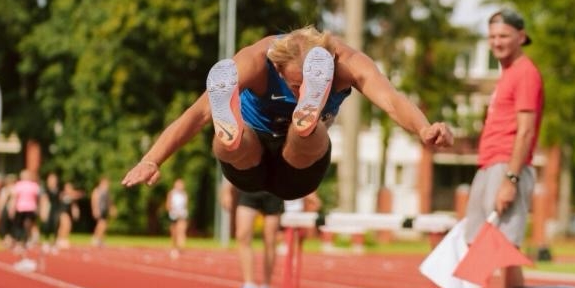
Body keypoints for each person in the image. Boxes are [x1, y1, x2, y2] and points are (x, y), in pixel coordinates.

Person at [121, 26, 454, 201]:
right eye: (296, 86)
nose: (297, 94)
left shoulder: (346, 62)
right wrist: (152, 159)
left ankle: (306, 121)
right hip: (251, 155)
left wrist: (423, 129)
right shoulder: (255, 61)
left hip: (299, 167)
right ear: (278, 67)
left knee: (307, 131)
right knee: (234, 142)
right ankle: (232, 128)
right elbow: (198, 114)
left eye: (306, 87)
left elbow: (392, 100)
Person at [428, 8, 543, 288]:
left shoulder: (525, 73)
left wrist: (510, 177)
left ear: (521, 36)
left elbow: (524, 131)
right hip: (488, 166)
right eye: (492, 36)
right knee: (475, 248)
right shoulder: (506, 75)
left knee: (505, 252)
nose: (497, 42)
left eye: (504, 35)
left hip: (506, 168)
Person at [221, 181, 283, 288]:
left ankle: (266, 286)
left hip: (274, 189)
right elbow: (234, 161)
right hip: (249, 185)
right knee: (242, 235)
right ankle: (249, 285)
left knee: (270, 239)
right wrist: (226, 190)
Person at [10, 169, 42, 250]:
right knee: (26, 225)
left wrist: (12, 209)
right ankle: (23, 241)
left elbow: (14, 198)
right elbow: (39, 198)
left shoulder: (20, 185)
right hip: (26, 208)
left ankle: (22, 241)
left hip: (24, 208)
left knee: (21, 226)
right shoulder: (33, 185)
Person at [165, 178, 191, 258]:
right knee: (174, 233)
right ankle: (174, 247)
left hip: (182, 214)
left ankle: (180, 247)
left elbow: (186, 205)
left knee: (181, 230)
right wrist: (173, 210)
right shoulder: (171, 193)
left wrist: (183, 212)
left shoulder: (184, 194)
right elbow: (168, 205)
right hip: (173, 214)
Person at [90, 176, 113, 247]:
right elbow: (94, 199)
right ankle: (95, 239)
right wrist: (95, 209)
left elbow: (109, 201)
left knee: (104, 225)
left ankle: (100, 240)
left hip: (104, 210)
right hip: (99, 209)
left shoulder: (106, 191)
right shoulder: (97, 190)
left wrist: (111, 208)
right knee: (101, 224)